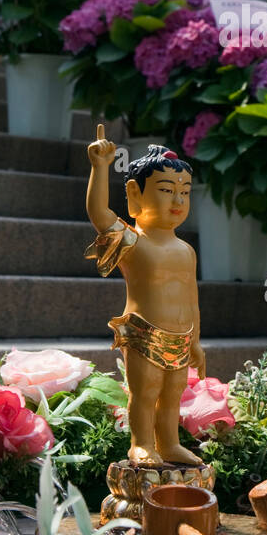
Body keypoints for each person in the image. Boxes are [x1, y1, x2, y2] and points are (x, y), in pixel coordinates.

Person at [85, 126, 205, 466]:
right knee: (145, 392)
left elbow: (191, 297)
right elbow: (100, 216)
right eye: (167, 190)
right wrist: (100, 167)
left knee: (171, 396)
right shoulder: (134, 243)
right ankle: (141, 444)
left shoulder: (186, 250)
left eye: (185, 192)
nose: (178, 201)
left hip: (180, 337)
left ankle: (168, 443)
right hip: (143, 333)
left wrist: (195, 340)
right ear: (136, 195)